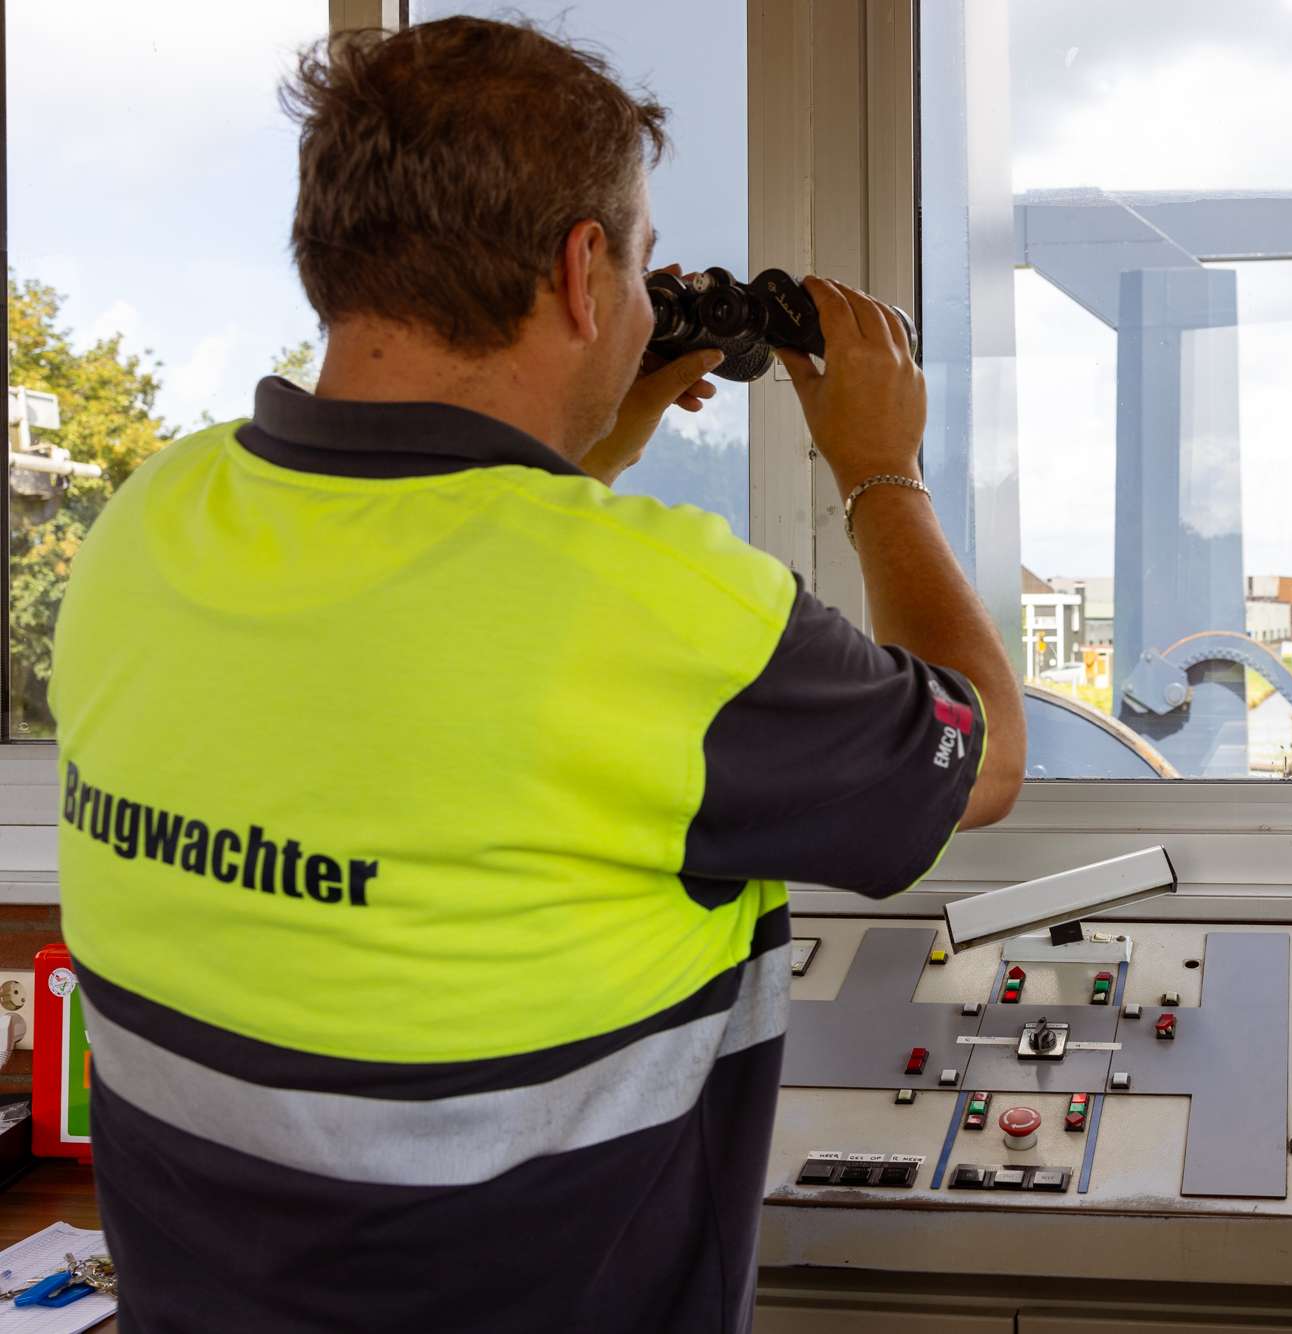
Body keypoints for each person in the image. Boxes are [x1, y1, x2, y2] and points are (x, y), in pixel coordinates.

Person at [50, 16, 1024, 1332]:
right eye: (635, 268)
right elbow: (985, 755)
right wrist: (880, 470)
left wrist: (578, 458)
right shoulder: (659, 609)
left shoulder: (143, 531)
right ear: (581, 270)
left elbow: (421, 673)